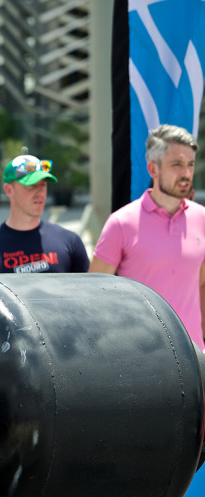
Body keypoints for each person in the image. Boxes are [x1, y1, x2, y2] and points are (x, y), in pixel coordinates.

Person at [89, 124, 205, 350]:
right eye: (177, 164)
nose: (186, 173)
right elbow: (92, 295)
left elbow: (201, 284)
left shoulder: (202, 218)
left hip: (194, 357)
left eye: (190, 164)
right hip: (141, 358)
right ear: (153, 169)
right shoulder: (121, 223)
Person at [0, 154, 90, 275]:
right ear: (9, 189)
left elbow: (87, 295)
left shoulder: (70, 242)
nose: (40, 192)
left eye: (43, 184)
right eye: (31, 185)